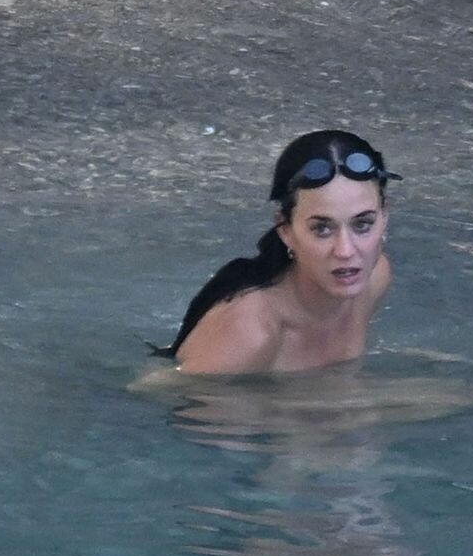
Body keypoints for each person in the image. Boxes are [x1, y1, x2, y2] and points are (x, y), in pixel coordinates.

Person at [153, 130, 399, 374]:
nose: (345, 251)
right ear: (285, 230)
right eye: (322, 229)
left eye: (362, 224)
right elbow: (160, 389)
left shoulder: (374, 279)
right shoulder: (252, 333)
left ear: (384, 217)